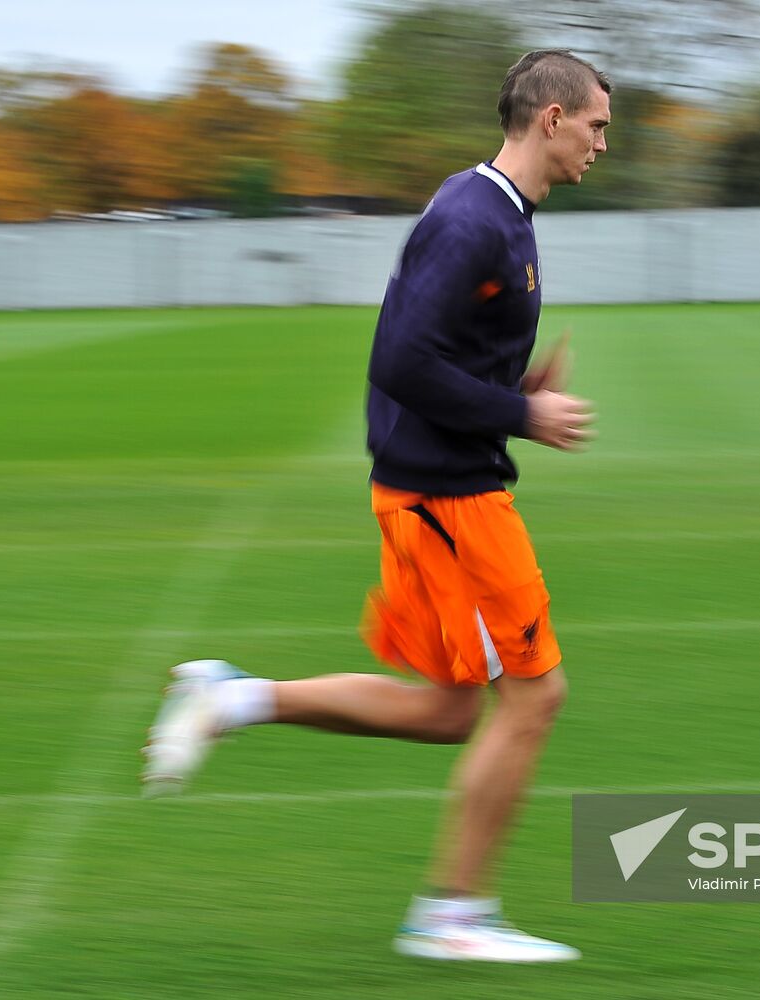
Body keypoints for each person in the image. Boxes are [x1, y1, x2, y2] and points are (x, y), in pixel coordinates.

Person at [141, 49, 611, 963]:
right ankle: (453, 918)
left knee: (447, 711)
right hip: (450, 498)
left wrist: (511, 387)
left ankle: (232, 699)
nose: (602, 143)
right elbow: (397, 361)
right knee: (535, 697)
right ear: (549, 120)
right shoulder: (475, 219)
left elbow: (439, 352)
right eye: (595, 125)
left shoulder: (496, 212)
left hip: (435, 487)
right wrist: (521, 412)